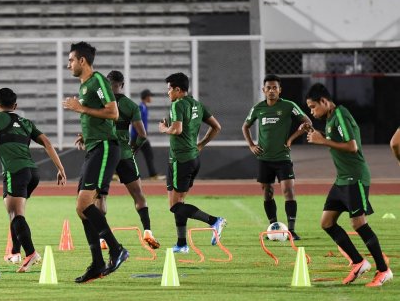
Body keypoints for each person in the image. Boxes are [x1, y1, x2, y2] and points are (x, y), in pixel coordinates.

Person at [305, 83, 392, 287]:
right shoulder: (329, 119)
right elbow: (333, 138)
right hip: (342, 179)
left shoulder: (341, 114)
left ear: (325, 102)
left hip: (355, 177)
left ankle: (383, 270)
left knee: (358, 224)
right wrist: (315, 133)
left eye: (312, 106)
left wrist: (322, 140)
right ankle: (358, 262)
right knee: (326, 222)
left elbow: (352, 147)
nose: (311, 111)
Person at [63, 41, 129, 283]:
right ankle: (98, 263)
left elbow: (113, 112)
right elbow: (100, 116)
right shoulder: (84, 86)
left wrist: (81, 109)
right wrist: (86, 134)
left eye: (70, 60)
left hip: (104, 148)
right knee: (82, 210)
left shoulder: (98, 81)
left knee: (84, 204)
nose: (67, 64)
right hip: (93, 147)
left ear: (82, 61)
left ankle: (116, 249)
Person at [0, 87, 67, 273]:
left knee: (15, 215)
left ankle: (31, 254)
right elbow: (47, 143)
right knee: (15, 213)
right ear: (16, 105)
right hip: (31, 172)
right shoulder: (26, 122)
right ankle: (15, 252)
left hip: (15, 171)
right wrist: (60, 168)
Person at [159, 72, 226, 254]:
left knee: (175, 206)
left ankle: (214, 221)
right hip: (191, 158)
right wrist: (201, 144)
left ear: (178, 90)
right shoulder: (197, 104)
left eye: (169, 90)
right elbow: (217, 127)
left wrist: (163, 128)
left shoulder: (177, 104)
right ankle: (181, 244)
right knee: (179, 203)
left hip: (181, 160)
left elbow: (177, 129)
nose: (168, 93)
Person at [242, 74, 311, 240]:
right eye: (268, 88)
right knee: (267, 192)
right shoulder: (258, 108)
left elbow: (307, 123)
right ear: (263, 90)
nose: (271, 91)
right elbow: (245, 126)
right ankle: (273, 227)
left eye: (275, 88)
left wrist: (291, 139)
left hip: (283, 158)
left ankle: (292, 230)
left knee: (288, 190)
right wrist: (251, 145)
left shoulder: (288, 106)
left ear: (280, 90)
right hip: (264, 158)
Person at [101, 70, 159, 249]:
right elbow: (142, 134)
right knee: (138, 195)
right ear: (122, 85)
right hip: (125, 155)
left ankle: (102, 238)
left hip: (104, 155)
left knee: (100, 196)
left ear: (107, 84)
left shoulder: (100, 104)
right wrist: (133, 148)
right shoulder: (131, 106)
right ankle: (148, 231)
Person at [131, 89, 161, 179]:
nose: (151, 98)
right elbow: (135, 122)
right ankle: (117, 173)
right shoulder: (141, 107)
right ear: (147, 97)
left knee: (148, 154)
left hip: (141, 136)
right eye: (150, 96)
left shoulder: (144, 107)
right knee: (129, 156)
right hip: (138, 136)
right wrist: (140, 134)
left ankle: (153, 174)